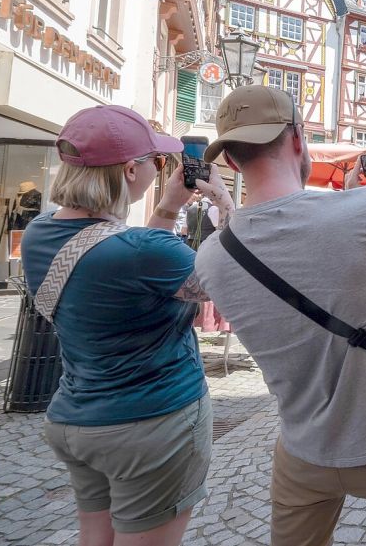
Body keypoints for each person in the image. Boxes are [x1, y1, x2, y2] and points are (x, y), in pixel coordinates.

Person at [193, 85, 366, 546]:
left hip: (305, 451)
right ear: (298, 139)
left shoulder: (212, 258)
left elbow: (279, 238)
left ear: (234, 161)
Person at [21, 105, 234, 545]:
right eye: (156, 162)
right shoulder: (143, 250)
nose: (161, 171)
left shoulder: (39, 232)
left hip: (78, 420)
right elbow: (226, 282)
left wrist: (168, 208)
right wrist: (226, 205)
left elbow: (133, 268)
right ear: (130, 170)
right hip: (151, 424)